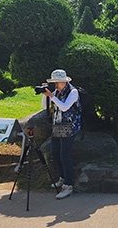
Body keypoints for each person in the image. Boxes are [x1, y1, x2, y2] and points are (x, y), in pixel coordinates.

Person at [40, 69, 81, 199]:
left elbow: (64, 107)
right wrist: (44, 94)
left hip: (70, 127)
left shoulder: (73, 92)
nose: (55, 85)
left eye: (57, 82)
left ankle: (69, 184)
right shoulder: (56, 92)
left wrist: (51, 96)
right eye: (54, 83)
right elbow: (43, 106)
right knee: (55, 153)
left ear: (64, 81)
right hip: (58, 126)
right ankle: (63, 177)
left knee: (65, 155)